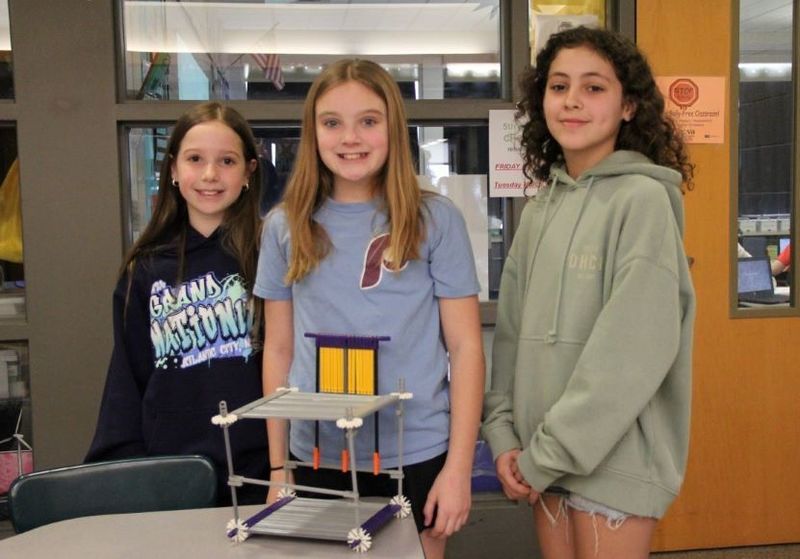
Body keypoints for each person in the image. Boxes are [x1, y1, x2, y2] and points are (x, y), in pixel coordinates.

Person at [254, 59, 484, 559]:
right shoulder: (283, 227)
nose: (350, 137)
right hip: (316, 452)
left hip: (417, 450)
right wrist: (278, 470)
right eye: (332, 122)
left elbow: (465, 348)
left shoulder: (434, 219)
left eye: (369, 121)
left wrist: (459, 467)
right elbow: (278, 349)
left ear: (392, 128)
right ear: (312, 132)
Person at [482, 27, 696, 559]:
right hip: (542, 454)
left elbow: (629, 357)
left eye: (594, 87)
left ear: (630, 106)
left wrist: (542, 456)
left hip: (613, 460)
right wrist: (504, 433)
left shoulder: (643, 201)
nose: (572, 100)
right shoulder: (540, 209)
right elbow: (509, 335)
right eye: (558, 86)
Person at [86, 102, 268, 505]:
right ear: (172, 169)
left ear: (248, 172)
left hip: (261, 471)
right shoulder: (145, 269)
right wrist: (125, 466)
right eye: (195, 159)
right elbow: (128, 376)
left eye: (227, 160)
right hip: (171, 473)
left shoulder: (273, 256)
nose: (209, 174)